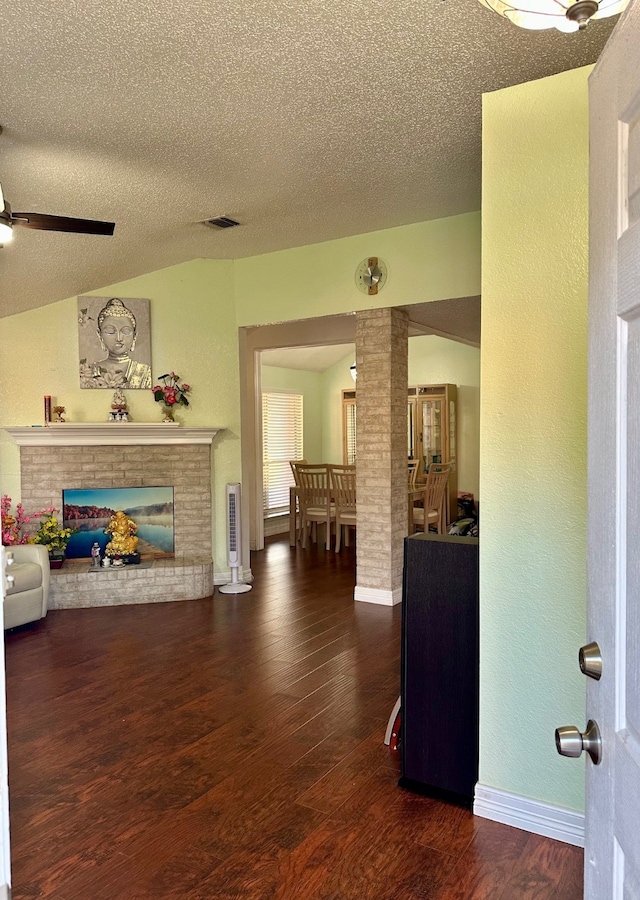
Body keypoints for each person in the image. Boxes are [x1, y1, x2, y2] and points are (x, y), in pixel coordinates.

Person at [80, 298, 151, 389]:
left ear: (134, 336)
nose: (119, 338)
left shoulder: (146, 372)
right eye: (110, 331)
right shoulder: (89, 371)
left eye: (125, 332)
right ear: (100, 335)